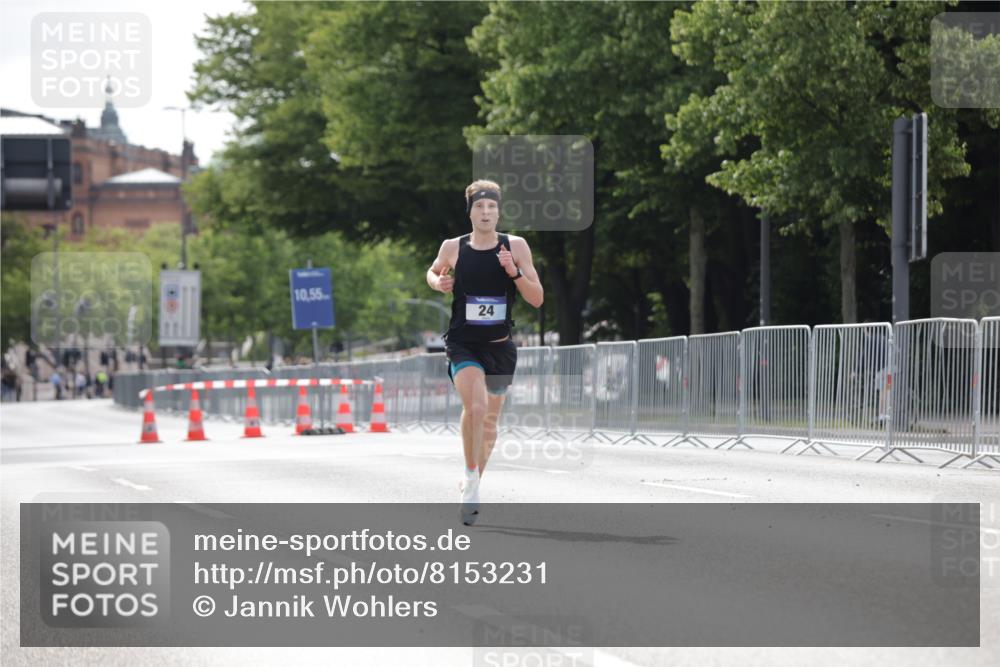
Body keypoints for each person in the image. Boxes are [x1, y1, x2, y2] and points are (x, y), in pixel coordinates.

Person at [426, 179, 544, 524]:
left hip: (500, 347)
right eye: (480, 206)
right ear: (470, 211)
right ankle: (471, 479)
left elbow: (536, 298)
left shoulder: (516, 246)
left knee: (490, 423)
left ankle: (474, 479)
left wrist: (514, 272)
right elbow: (433, 272)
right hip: (463, 344)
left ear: (499, 210)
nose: (486, 212)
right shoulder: (454, 247)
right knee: (475, 408)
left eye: (492, 206)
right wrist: (438, 282)